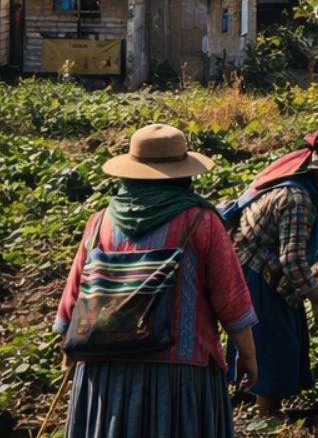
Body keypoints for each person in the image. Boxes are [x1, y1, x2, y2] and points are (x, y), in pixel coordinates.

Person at [54, 125, 258, 438]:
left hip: (105, 373)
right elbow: (231, 301)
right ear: (183, 175)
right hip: (180, 376)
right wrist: (248, 357)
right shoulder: (200, 221)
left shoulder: (100, 222)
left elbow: (72, 302)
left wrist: (69, 355)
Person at [223, 129, 318, 416]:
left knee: (266, 341)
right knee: (273, 346)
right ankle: (268, 415)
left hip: (252, 272)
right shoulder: (298, 199)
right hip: (261, 278)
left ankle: (253, 405)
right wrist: (317, 299)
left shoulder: (290, 185)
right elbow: (292, 259)